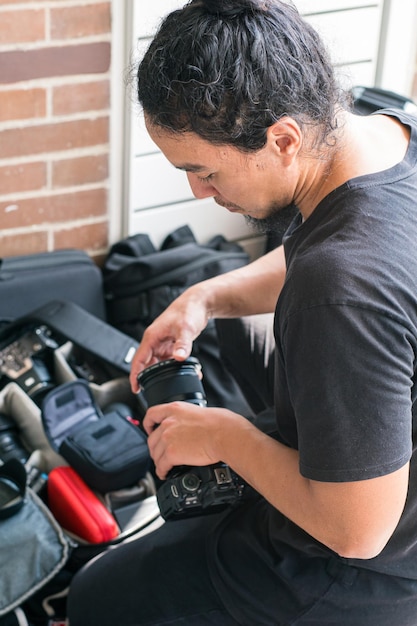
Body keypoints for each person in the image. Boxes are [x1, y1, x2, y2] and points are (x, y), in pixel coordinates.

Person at [67, 0, 417, 624]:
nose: (197, 192)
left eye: (203, 171)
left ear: (283, 139)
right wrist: (203, 298)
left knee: (102, 595)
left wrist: (226, 437)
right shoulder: (394, 133)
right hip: (383, 443)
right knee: (233, 333)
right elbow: (340, 244)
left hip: (367, 565)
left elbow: (356, 531)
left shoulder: (338, 292)